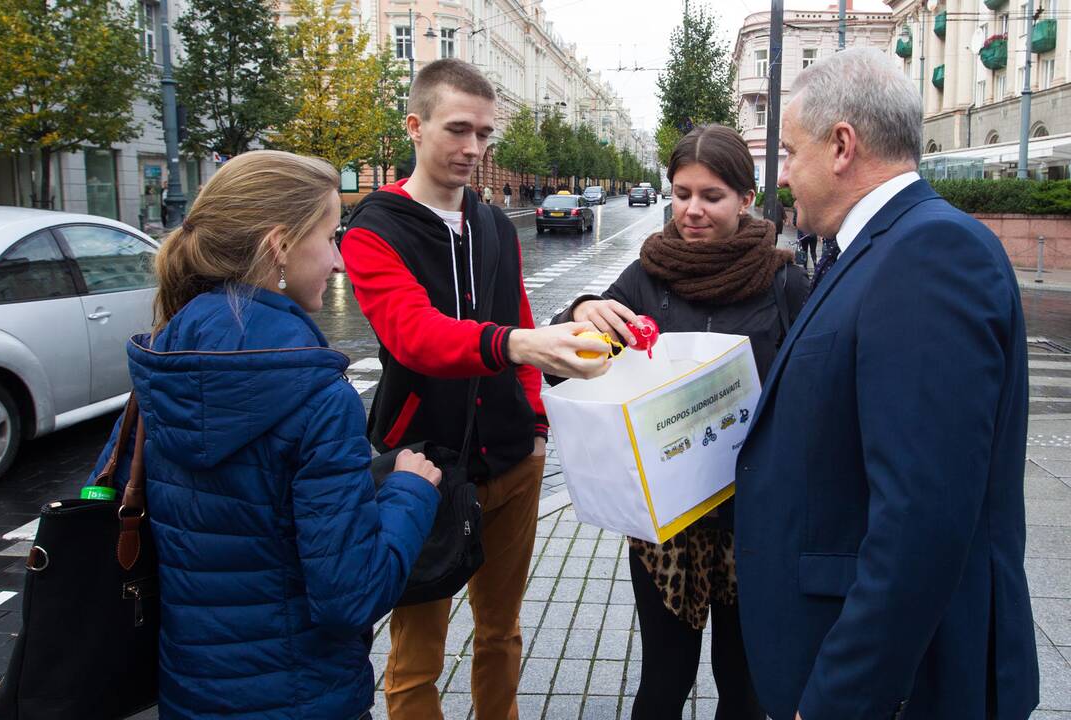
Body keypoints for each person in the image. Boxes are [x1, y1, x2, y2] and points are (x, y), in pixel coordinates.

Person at [734, 48, 1039, 720]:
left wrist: (839, 701)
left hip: (902, 687)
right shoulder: (880, 246)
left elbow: (919, 521)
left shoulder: (929, 254)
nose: (782, 177)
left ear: (842, 145)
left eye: (788, 153)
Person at [86, 150, 443, 719]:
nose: (337, 261)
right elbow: (350, 595)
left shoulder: (164, 358)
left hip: (189, 694)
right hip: (304, 697)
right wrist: (410, 492)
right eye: (330, 237)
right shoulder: (317, 397)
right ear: (278, 246)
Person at [341, 58, 609, 720]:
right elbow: (414, 335)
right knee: (415, 662)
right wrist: (516, 345)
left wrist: (537, 428)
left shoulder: (490, 223)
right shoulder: (376, 227)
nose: (474, 149)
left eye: (485, 134)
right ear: (415, 125)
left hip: (512, 462)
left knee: (500, 635)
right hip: (421, 471)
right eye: (458, 129)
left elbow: (515, 310)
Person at [550, 125, 808, 720]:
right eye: (681, 191)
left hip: (756, 524)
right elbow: (571, 368)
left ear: (746, 199)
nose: (691, 210)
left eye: (711, 195)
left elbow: (811, 398)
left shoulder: (784, 282)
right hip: (666, 527)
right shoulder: (648, 276)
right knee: (664, 680)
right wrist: (581, 311)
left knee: (744, 686)